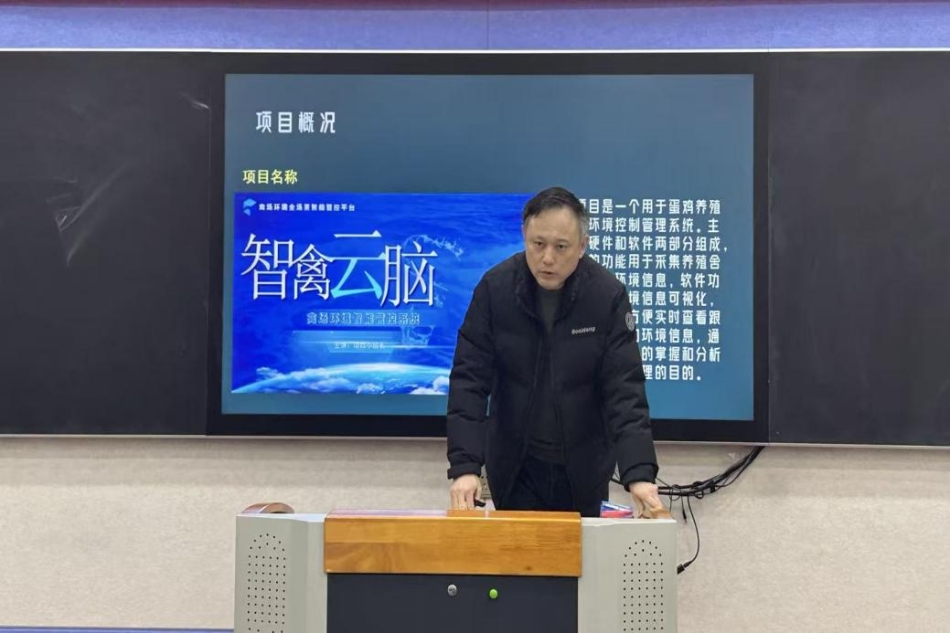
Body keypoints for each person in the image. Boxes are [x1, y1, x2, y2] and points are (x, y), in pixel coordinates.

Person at [445, 186, 664, 518]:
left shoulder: (606, 296)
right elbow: (469, 382)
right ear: (524, 235)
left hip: (584, 469)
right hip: (515, 467)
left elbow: (625, 390)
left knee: (582, 552)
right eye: (538, 244)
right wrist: (465, 466)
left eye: (561, 247)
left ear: (582, 246)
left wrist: (639, 472)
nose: (547, 258)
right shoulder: (495, 290)